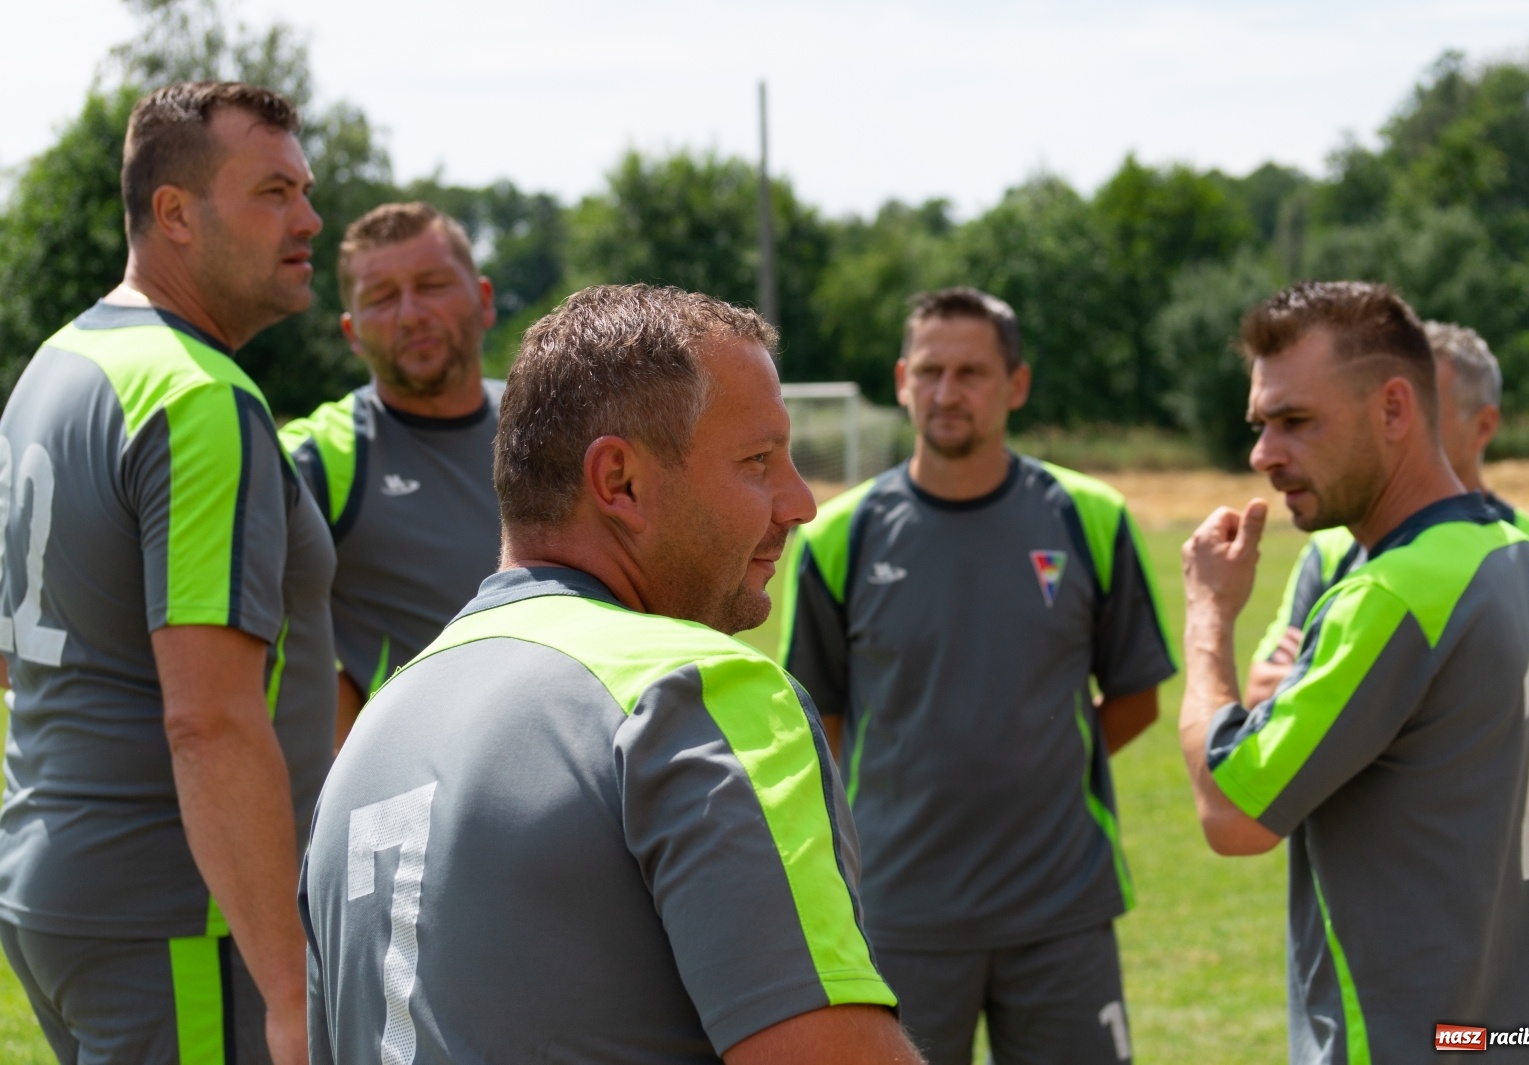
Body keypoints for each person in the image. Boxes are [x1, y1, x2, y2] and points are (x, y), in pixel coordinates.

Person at [299, 284, 922, 1065]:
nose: (800, 502)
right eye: (758, 461)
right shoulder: (691, 690)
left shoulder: (369, 745)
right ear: (620, 481)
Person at [0, 82, 335, 1065]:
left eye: (306, 190)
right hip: (177, 917)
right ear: (175, 213)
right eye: (274, 191)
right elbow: (209, 719)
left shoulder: (56, 366)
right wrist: (289, 989)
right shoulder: (195, 398)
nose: (310, 218)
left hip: (58, 891)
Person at [1180, 281, 1529, 1064]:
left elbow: (1230, 815)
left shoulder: (1395, 593)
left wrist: (1209, 618)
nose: (1263, 454)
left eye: (1296, 421)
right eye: (1260, 424)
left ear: (1395, 410)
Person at [780, 288, 1174, 1065]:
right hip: (901, 917)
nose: (946, 391)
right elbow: (818, 720)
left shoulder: (1088, 517)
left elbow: (1136, 697)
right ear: (900, 379)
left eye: (970, 372)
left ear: (1016, 385)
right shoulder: (840, 535)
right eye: (929, 370)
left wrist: (1038, 764)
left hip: (1060, 912)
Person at [1245, 319, 1529, 706]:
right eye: (1390, 409)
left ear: (1484, 426)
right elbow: (1261, 690)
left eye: (1428, 409)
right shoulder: (1332, 549)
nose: (1403, 426)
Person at [280, 202, 502, 747]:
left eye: (432, 285)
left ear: (484, 300)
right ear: (352, 333)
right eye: (382, 298)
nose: (410, 314)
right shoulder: (318, 456)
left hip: (579, 780)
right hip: (413, 800)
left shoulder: (556, 428)